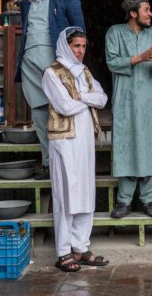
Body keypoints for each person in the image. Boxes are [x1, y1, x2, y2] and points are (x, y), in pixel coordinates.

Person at [42, 27, 108, 272]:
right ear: (65, 46)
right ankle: (63, 252)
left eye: (83, 46)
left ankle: (81, 247)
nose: (80, 51)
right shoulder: (52, 73)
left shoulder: (85, 72)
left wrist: (82, 96)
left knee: (84, 193)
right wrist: (85, 98)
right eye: (76, 46)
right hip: (64, 142)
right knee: (65, 195)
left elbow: (102, 98)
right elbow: (65, 106)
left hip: (85, 141)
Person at [17, 0, 86, 180]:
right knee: (38, 113)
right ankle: (48, 163)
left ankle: (66, 164)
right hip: (29, 63)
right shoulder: (26, 2)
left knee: (60, 110)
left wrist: (74, 63)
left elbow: (78, 30)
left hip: (54, 62)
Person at [106, 0, 152, 218]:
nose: (150, 13)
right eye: (146, 10)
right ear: (133, 13)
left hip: (150, 100)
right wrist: (139, 57)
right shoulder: (114, 32)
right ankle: (124, 200)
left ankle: (150, 199)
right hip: (125, 99)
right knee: (126, 144)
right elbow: (112, 62)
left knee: (151, 145)